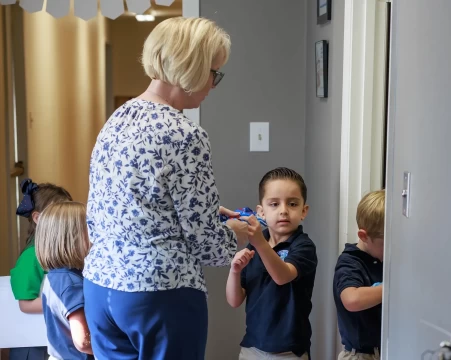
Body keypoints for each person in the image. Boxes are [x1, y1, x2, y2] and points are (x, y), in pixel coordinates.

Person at [83, 16, 248, 360]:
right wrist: (237, 233)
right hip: (159, 292)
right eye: (214, 73)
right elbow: (209, 246)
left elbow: (119, 207)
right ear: (192, 67)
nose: (214, 85)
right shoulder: (185, 134)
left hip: (101, 286)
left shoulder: (117, 119)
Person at [226, 167, 318, 360]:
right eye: (274, 204)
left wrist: (259, 242)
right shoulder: (254, 247)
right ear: (261, 211)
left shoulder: (303, 246)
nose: (283, 210)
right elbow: (234, 300)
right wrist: (234, 271)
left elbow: (282, 276)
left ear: (304, 211)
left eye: (292, 204)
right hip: (252, 347)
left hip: (290, 351)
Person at [9, 179, 72, 360]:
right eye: (59, 214)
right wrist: (66, 302)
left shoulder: (64, 253)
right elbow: (26, 304)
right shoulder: (30, 257)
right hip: (34, 346)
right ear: (37, 218)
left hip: (56, 338)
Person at [35, 202, 93, 360]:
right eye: (90, 230)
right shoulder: (71, 283)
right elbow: (83, 341)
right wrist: (115, 348)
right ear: (72, 239)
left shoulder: (54, 277)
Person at [333, 190, 385, 360]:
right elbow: (352, 300)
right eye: (387, 243)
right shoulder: (350, 262)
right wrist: (394, 287)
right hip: (360, 355)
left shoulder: (383, 259)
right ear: (364, 236)